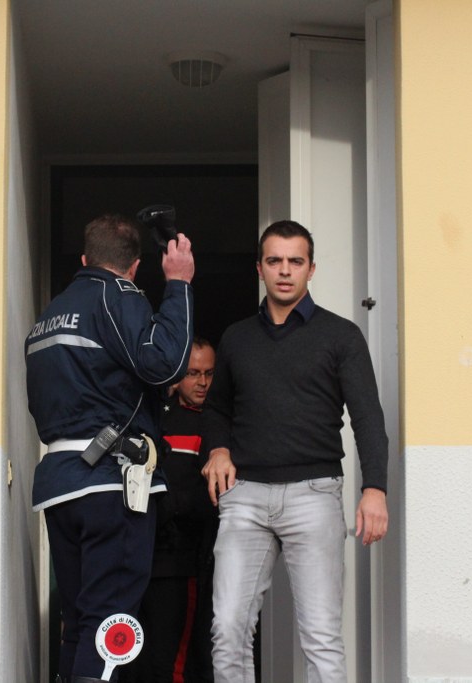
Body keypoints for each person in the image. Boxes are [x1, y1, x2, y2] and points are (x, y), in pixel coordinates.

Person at [201, 220, 389, 683]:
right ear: (260, 269)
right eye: (275, 261)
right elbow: (217, 408)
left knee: (321, 638)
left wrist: (375, 489)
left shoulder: (341, 336)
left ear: (311, 269)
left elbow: (368, 418)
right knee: (227, 630)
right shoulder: (237, 337)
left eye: (295, 261)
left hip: (314, 495)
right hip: (244, 498)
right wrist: (219, 449)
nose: (285, 271)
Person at [26, 214, 195, 683]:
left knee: (80, 622)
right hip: (110, 481)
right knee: (111, 625)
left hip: (60, 482)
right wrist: (178, 285)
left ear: (85, 259)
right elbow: (166, 365)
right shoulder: (117, 294)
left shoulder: (49, 314)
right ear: (135, 267)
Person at [125, 338, 218, 683]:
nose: (203, 382)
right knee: (134, 660)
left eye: (209, 373)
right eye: (193, 373)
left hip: (186, 562)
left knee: (175, 664)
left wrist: (172, 505)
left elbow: (219, 498)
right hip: (140, 558)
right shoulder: (154, 419)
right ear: (177, 377)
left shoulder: (219, 426)